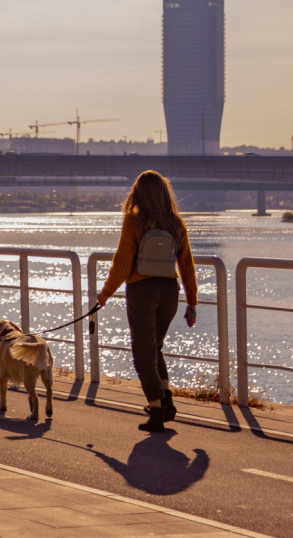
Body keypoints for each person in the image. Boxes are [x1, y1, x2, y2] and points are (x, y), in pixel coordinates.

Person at [96, 170, 198, 432]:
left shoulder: (135, 221)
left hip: (142, 290)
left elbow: (122, 261)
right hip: (169, 290)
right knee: (155, 349)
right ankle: (167, 403)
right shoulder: (176, 222)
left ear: (138, 193)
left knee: (143, 355)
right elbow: (187, 264)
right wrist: (192, 301)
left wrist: (105, 293)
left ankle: (155, 411)